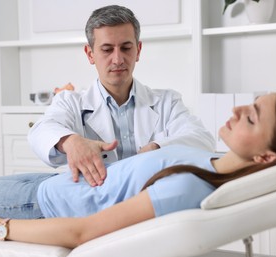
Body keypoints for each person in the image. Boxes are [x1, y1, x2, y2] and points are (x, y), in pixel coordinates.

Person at [0, 90, 276, 249]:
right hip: (53, 185)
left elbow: (84, 231)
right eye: (247, 104)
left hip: (36, 208)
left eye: (251, 118)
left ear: (266, 158)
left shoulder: (190, 187)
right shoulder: (209, 162)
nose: (236, 111)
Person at [28, 5, 214, 187]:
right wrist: (71, 142)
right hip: (95, 199)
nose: (117, 59)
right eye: (107, 49)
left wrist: (157, 148)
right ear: (90, 54)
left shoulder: (167, 101)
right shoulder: (70, 102)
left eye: (126, 48)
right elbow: (41, 131)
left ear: (138, 50)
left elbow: (202, 140)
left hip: (149, 197)